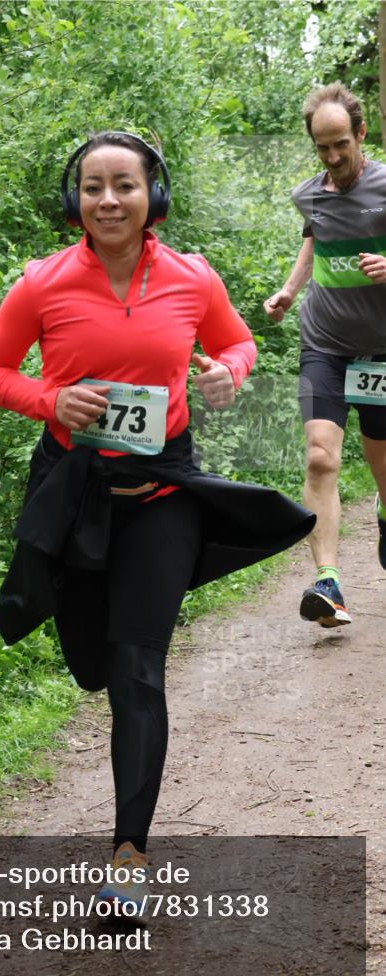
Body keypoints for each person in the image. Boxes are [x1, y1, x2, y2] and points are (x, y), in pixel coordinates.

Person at [0, 131, 314, 922]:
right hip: (75, 496)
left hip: (163, 496)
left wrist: (229, 373)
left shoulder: (192, 277)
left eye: (123, 185)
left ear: (151, 195)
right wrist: (50, 400)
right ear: (75, 200)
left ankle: (127, 863)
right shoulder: (42, 283)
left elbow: (234, 341)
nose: (108, 201)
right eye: (92, 186)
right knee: (92, 665)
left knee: (136, 672)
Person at [264, 82, 386, 628]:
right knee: (320, 456)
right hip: (325, 343)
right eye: (322, 147)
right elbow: (315, 239)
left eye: (341, 144)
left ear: (361, 133)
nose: (333, 157)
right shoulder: (309, 195)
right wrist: (290, 291)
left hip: (382, 351)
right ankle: (328, 582)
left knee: (382, 461)